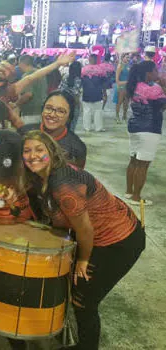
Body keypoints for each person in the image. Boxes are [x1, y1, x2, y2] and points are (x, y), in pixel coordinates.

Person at [17, 130, 145, 350]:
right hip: (100, 237)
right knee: (75, 292)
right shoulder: (42, 178)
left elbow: (85, 230)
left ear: (52, 152)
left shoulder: (62, 183)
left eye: (39, 150)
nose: (33, 155)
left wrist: (83, 261)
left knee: (84, 301)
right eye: (27, 151)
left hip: (119, 241)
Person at [125, 61, 166, 205]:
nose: (157, 72)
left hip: (134, 127)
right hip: (150, 128)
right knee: (143, 165)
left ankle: (129, 191)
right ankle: (137, 197)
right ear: (148, 73)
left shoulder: (135, 86)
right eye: (155, 70)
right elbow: (162, 106)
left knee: (134, 160)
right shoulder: (155, 88)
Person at [18, 90, 87, 168]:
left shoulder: (76, 147)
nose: (52, 114)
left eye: (61, 111)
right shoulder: (24, 133)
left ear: (69, 117)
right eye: (48, 108)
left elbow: (76, 177)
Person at [17, 55, 48, 124]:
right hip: (41, 111)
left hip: (30, 113)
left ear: (22, 63)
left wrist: (16, 104)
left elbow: (28, 94)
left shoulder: (27, 76)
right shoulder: (40, 73)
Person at [81, 54, 108, 132]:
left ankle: (87, 127)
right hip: (97, 93)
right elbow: (104, 83)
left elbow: (81, 82)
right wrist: (104, 93)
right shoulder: (101, 70)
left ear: (89, 59)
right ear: (96, 60)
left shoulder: (83, 70)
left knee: (86, 111)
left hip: (86, 92)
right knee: (98, 111)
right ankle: (98, 127)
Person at [58, 61, 82, 132]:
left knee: (65, 122)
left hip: (63, 102)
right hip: (73, 103)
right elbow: (76, 94)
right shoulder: (78, 79)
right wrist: (79, 105)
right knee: (72, 123)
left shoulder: (65, 76)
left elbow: (60, 88)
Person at [114, 53, 130, 123]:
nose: (128, 59)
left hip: (128, 87)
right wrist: (127, 82)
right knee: (119, 102)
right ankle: (117, 116)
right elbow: (117, 80)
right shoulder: (120, 66)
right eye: (127, 57)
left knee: (126, 103)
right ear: (122, 58)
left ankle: (124, 115)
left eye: (129, 58)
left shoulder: (128, 65)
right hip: (121, 87)